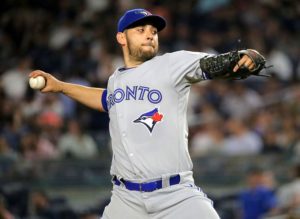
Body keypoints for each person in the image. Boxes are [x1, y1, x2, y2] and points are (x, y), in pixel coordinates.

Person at [29, 8, 265, 219]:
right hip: (125, 200)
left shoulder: (172, 65)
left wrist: (248, 56)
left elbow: (213, 64)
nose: (150, 34)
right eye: (140, 30)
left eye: (153, 30)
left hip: (176, 195)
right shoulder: (115, 81)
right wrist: (60, 86)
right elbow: (106, 99)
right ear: (121, 37)